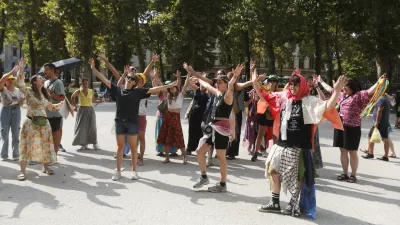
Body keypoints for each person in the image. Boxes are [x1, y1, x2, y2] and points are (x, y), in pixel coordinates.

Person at [253, 68, 345, 217]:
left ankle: (293, 203)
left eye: (296, 85)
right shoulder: (284, 98)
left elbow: (327, 106)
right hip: (282, 144)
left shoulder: (309, 101)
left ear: (301, 86)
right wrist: (254, 80)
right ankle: (275, 203)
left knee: (297, 176)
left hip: (299, 147)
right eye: (291, 84)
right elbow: (264, 96)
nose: (293, 88)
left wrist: (337, 91)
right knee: (272, 170)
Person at [89, 58, 175, 181]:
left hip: (133, 123)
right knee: (120, 147)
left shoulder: (138, 92)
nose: (129, 79)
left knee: (134, 148)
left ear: (134, 83)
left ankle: (134, 171)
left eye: (131, 79)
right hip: (119, 122)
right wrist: (93, 69)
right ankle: (118, 171)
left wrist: (169, 85)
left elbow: (154, 90)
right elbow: (104, 79)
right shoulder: (117, 90)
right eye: (128, 78)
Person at [191, 64, 242, 193]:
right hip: (213, 128)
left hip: (222, 129)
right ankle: (204, 177)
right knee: (199, 151)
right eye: (217, 82)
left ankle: (223, 184)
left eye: (220, 82)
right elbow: (207, 85)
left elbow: (231, 87)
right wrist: (198, 77)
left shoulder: (228, 96)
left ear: (225, 83)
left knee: (220, 157)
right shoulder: (218, 93)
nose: (217, 83)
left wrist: (235, 76)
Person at [15, 59, 64, 181]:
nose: (43, 79)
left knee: (45, 145)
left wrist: (62, 104)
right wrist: (21, 68)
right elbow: (20, 83)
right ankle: (22, 171)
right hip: (30, 123)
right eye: (40, 78)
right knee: (26, 146)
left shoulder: (43, 94)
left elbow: (50, 107)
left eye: (43, 78)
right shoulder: (28, 91)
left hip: (44, 124)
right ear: (34, 81)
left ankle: (45, 167)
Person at [334, 75, 384, 183]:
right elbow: (333, 90)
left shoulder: (358, 95)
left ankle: (353, 175)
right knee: (343, 151)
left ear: (352, 87)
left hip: (353, 128)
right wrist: (319, 83)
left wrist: (378, 82)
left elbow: (370, 91)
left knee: (352, 151)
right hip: (341, 125)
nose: (343, 90)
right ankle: (345, 173)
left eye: (346, 88)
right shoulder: (343, 95)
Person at [156, 70, 188, 164]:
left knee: (179, 138)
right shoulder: (168, 95)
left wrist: (179, 77)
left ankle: (185, 157)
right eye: (171, 88)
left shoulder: (180, 95)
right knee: (167, 138)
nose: (172, 89)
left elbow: (183, 85)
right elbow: (161, 86)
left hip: (176, 118)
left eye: (174, 88)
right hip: (168, 117)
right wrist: (156, 77)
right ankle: (167, 158)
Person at [150, 68, 178, 157]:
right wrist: (154, 78)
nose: (168, 87)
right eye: (166, 86)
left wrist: (156, 77)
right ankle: (160, 150)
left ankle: (173, 151)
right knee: (160, 134)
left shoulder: (174, 94)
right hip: (161, 116)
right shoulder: (161, 93)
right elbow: (155, 88)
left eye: (169, 86)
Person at [251, 74, 279, 162]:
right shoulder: (264, 89)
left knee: (275, 136)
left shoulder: (279, 91)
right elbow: (255, 84)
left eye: (274, 81)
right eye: (271, 81)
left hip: (273, 115)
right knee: (260, 134)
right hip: (264, 114)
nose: (272, 83)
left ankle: (275, 154)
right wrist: (253, 73)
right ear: (268, 82)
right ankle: (255, 152)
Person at [71, 78, 104, 150]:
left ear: (88, 84)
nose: (85, 85)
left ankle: (95, 143)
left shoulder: (91, 91)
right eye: (84, 84)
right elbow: (72, 97)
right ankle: (84, 144)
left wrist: (101, 101)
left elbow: (93, 100)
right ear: (81, 84)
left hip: (90, 110)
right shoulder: (79, 91)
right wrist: (75, 106)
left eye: (86, 83)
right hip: (82, 110)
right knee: (82, 128)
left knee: (92, 127)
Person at [0, 66, 24, 161]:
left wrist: (21, 102)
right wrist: (12, 72)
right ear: (5, 81)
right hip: (6, 111)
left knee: (16, 133)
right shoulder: (3, 90)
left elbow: (21, 103)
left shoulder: (18, 91)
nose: (10, 81)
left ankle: (16, 154)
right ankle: (4, 155)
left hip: (16, 111)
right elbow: (0, 81)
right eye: (8, 80)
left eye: (11, 80)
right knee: (4, 134)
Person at [43, 63, 66, 156]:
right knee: (47, 136)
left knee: (55, 134)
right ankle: (49, 155)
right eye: (44, 70)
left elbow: (62, 98)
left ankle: (54, 155)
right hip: (46, 113)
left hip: (55, 114)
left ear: (52, 70)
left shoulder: (58, 83)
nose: (44, 72)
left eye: (46, 70)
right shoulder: (45, 82)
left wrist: (51, 94)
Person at [185, 73, 209, 155]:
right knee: (191, 131)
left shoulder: (209, 92)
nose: (202, 84)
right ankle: (189, 148)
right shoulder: (197, 89)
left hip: (203, 115)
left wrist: (201, 78)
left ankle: (200, 149)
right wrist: (193, 76)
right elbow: (187, 82)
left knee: (201, 133)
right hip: (194, 114)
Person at [362, 94, 391, 161]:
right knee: (385, 139)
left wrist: (377, 122)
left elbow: (379, 110)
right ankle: (385, 156)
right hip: (384, 122)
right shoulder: (385, 99)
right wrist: (373, 115)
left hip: (379, 122)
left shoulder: (381, 99)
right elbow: (382, 111)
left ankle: (370, 153)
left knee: (370, 136)